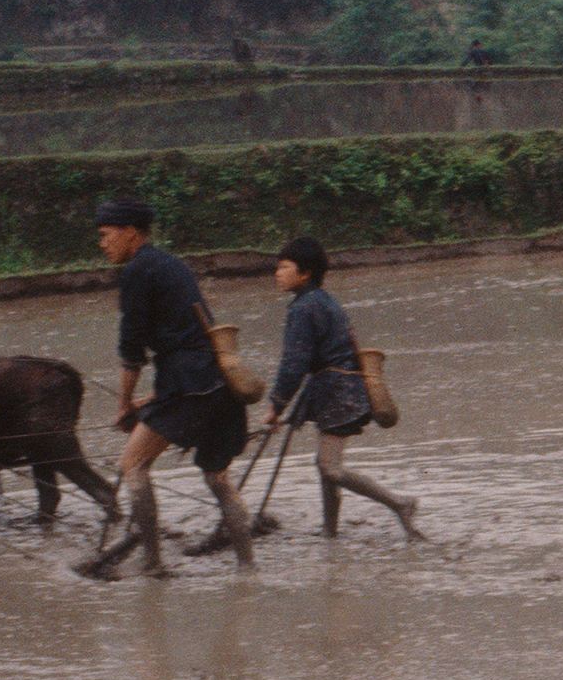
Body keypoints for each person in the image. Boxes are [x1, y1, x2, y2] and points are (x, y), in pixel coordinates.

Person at [78, 197, 253, 578]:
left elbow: (131, 350)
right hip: (219, 382)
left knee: (133, 465)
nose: (102, 244)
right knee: (217, 478)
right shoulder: (173, 265)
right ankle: (248, 568)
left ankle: (153, 562)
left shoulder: (137, 271)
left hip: (188, 385)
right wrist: (153, 398)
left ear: (130, 232)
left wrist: (125, 404)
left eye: (106, 235)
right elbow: (193, 340)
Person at [265, 237, 423, 541]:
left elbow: (294, 363)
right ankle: (330, 531)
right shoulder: (324, 300)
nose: (277, 273)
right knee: (325, 464)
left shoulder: (303, 308)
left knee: (330, 468)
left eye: (284, 267)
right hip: (340, 387)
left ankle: (400, 503)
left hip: (336, 391)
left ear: (305, 273)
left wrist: (276, 405)